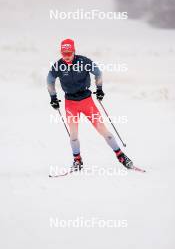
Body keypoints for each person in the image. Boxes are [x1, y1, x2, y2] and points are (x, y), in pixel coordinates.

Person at [47, 39, 133, 171]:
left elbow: (98, 72)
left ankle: (120, 155)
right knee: (73, 135)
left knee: (103, 130)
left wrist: (99, 89)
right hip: (70, 104)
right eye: (64, 54)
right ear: (61, 53)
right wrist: (53, 97)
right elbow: (50, 80)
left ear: (74, 51)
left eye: (69, 53)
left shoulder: (83, 61)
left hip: (87, 101)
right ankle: (77, 160)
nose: (67, 56)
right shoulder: (58, 66)